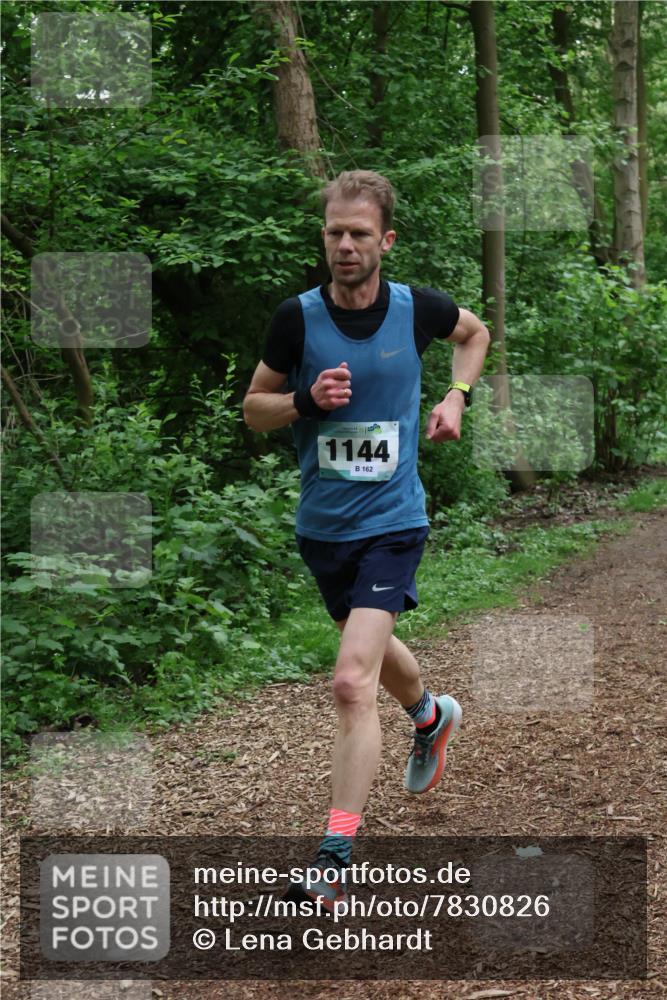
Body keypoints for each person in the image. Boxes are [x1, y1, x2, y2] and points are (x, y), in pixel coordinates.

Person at [243, 170, 490, 912]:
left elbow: (474, 335)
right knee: (370, 653)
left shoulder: (417, 310)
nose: (343, 246)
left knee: (351, 680)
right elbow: (254, 409)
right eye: (332, 233)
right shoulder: (297, 318)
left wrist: (455, 395)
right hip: (323, 531)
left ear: (384, 240)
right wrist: (302, 401)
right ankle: (429, 716)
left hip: (393, 523)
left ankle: (331, 857)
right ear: (322, 239)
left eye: (358, 234)